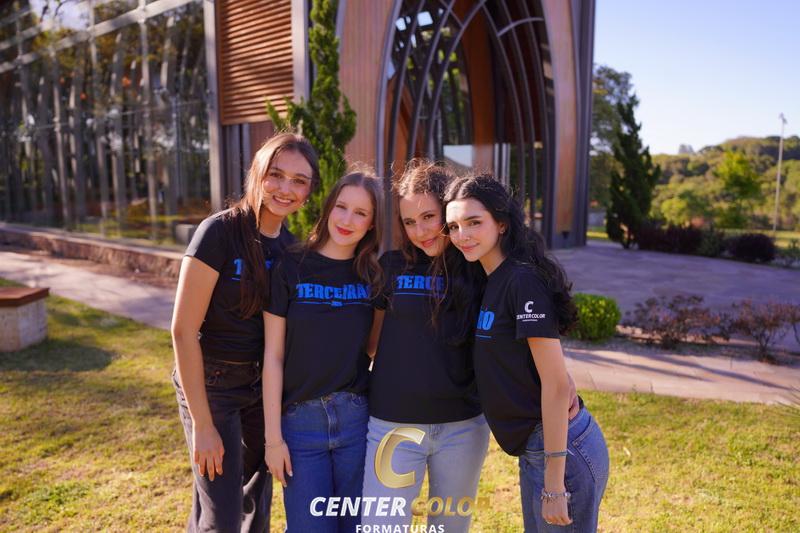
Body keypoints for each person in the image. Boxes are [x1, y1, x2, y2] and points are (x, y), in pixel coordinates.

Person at [443, 174, 609, 532]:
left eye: (474, 222)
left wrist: (554, 482)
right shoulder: (491, 280)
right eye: (454, 226)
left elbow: (555, 385)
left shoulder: (521, 281)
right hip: (538, 450)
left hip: (560, 451)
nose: (462, 235)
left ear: (502, 223)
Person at [170, 132, 319, 532]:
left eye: (299, 181)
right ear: (257, 173)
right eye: (276, 174)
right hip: (212, 385)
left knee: (256, 507)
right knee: (222, 517)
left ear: (309, 191)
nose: (285, 188)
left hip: (260, 389)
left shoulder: (291, 250)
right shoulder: (218, 232)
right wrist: (203, 424)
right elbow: (183, 331)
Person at [361, 160, 490, 532]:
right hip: (393, 425)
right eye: (409, 221)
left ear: (448, 210)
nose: (420, 231)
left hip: (462, 428)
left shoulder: (477, 268)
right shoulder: (391, 266)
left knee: (450, 527)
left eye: (429, 217)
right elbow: (372, 343)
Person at [263, 171, 384, 532]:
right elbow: (273, 356)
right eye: (342, 207)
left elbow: (373, 347)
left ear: (372, 223)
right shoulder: (290, 266)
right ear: (329, 208)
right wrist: (273, 440)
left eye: (360, 213)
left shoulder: (373, 276)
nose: (347, 220)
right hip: (300, 426)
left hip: (356, 421)